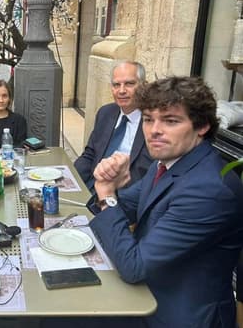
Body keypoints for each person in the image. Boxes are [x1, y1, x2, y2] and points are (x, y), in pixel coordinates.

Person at [89, 76, 243, 327]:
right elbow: (126, 207)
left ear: (201, 125)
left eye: (170, 120)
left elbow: (133, 266)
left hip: (174, 314)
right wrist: (112, 185)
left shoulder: (209, 190)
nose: (154, 130)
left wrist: (107, 194)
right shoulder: (168, 162)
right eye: (148, 119)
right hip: (146, 293)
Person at [74, 61, 152, 191]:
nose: (121, 91)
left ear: (144, 86)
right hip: (92, 186)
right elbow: (90, 154)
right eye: (116, 85)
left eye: (129, 84)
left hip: (127, 194)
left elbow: (146, 173)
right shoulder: (106, 113)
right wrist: (71, 181)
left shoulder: (153, 122)